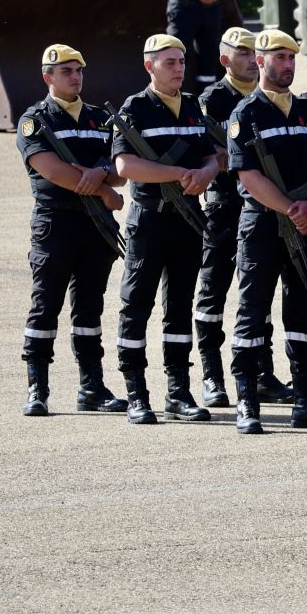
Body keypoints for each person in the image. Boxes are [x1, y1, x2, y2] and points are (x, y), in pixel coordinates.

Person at [110, 34, 221, 425]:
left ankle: (178, 391)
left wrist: (206, 173)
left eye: (181, 61)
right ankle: (136, 392)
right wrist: (177, 173)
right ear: (149, 66)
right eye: (170, 62)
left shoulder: (192, 106)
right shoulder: (135, 109)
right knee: (136, 305)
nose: (179, 68)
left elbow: (212, 155)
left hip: (188, 217)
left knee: (179, 308)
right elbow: (125, 167)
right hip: (150, 219)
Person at [15, 44, 127, 416]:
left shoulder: (99, 118)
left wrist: (102, 178)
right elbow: (52, 170)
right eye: (66, 71)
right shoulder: (35, 120)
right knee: (46, 305)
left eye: (79, 70)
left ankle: (91, 387)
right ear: (48, 77)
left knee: (90, 309)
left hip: (95, 226)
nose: (75, 77)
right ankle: (37, 388)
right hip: (57, 223)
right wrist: (103, 187)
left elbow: (119, 166)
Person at [225, 30, 307, 433]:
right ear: (260, 61)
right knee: (252, 312)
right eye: (278, 57)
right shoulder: (245, 113)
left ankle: (306, 395)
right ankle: (247, 401)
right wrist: (290, 209)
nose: (287, 64)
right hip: (263, 225)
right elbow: (247, 175)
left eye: (291, 57)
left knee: (305, 312)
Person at [191, 25, 259, 408]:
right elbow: (214, 155)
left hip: (264, 206)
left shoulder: (271, 96)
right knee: (214, 290)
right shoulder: (213, 99)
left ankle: (261, 373)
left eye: (254, 53)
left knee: (259, 293)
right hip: (226, 204)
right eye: (244, 53)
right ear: (225, 59)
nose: (252, 59)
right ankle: (211, 374)